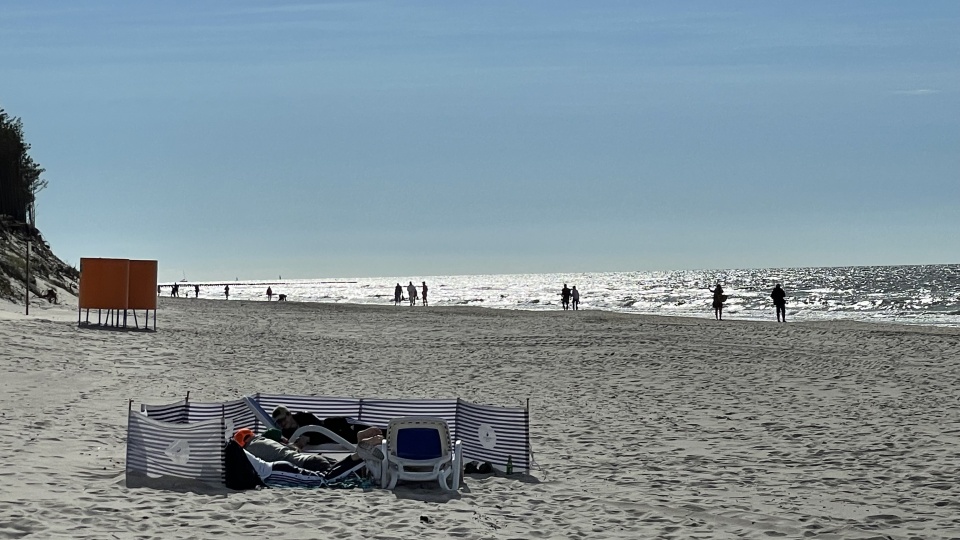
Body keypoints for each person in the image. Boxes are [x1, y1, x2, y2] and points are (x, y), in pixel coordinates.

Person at [232, 428, 373, 480]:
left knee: (336, 477)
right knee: (346, 470)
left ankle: (359, 452)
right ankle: (359, 454)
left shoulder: (251, 450)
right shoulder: (266, 440)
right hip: (311, 458)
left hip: (306, 464)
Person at [272, 406, 382, 446]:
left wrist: (308, 438)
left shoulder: (304, 417)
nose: (282, 423)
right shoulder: (287, 434)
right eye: (279, 422)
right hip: (340, 439)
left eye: (283, 419)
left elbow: (322, 430)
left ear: (289, 414)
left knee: (380, 431)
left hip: (341, 425)